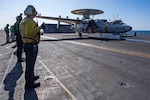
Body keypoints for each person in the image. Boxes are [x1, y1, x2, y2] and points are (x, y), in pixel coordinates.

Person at [20, 5, 43, 89]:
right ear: (31, 12)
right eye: (33, 12)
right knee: (30, 64)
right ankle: (29, 83)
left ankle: (31, 78)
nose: (34, 14)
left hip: (27, 44)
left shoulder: (24, 20)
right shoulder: (29, 21)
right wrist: (40, 28)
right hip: (30, 44)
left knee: (30, 64)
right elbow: (29, 33)